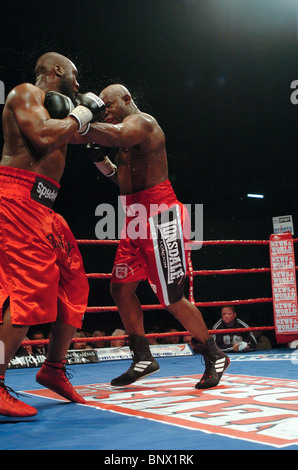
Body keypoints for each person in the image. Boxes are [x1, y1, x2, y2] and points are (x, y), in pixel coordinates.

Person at [74, 83, 230, 389]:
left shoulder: (143, 123)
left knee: (171, 298)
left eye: (109, 106)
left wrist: (81, 121)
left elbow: (116, 134)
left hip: (161, 217)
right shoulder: (124, 143)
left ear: (127, 100)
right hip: (134, 218)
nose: (106, 111)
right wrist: (98, 159)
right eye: (102, 107)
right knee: (119, 289)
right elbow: (120, 180)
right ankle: (144, 357)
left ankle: (215, 355)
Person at [0, 51, 105, 417]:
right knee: (27, 294)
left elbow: (88, 134)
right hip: (16, 198)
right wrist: (82, 112)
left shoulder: (61, 113)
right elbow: (44, 137)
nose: (78, 83)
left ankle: (53, 368)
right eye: (74, 75)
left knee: (75, 283)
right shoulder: (25, 93)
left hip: (45, 209)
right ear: (57, 70)